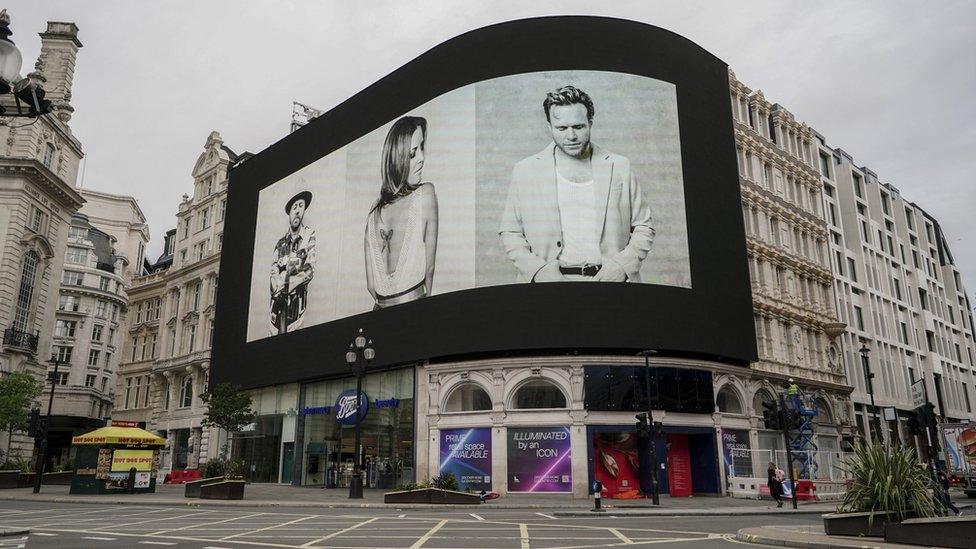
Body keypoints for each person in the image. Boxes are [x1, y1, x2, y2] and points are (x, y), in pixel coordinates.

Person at [498, 85, 654, 282]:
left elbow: (644, 226)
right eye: (561, 128)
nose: (570, 136)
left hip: (611, 282)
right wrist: (538, 271)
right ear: (549, 127)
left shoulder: (620, 166)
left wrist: (621, 267)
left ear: (590, 123)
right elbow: (510, 231)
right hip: (548, 285)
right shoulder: (525, 170)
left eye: (578, 127)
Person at [365, 116, 439, 308]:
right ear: (397, 159)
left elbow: (371, 286)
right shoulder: (426, 194)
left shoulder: (372, 215)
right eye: (413, 153)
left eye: (422, 147)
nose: (422, 158)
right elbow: (429, 270)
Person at [270, 190, 316, 334]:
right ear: (289, 212)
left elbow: (310, 268)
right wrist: (276, 285)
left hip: (296, 312)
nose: (297, 211)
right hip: (276, 312)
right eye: (294, 207)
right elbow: (273, 269)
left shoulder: (309, 235)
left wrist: (286, 284)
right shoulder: (280, 243)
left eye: (300, 206)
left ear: (304, 209)